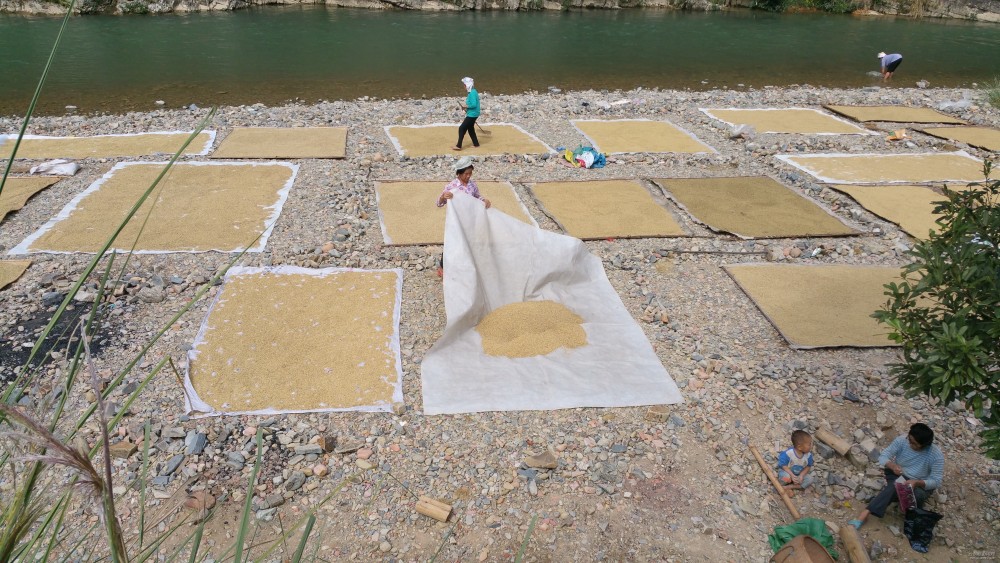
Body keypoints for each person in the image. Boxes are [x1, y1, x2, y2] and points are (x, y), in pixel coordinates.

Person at [850, 423, 944, 529]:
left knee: (913, 495)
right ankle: (865, 514)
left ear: (925, 446)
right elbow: (884, 456)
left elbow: (936, 481)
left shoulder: (936, 455)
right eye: (909, 439)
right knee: (896, 485)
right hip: (898, 474)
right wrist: (893, 466)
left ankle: (901, 504)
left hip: (918, 483)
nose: (910, 444)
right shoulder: (902, 440)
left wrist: (916, 482)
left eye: (914, 444)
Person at [777, 430, 815, 495]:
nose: (811, 446)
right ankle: (782, 484)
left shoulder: (808, 455)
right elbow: (783, 465)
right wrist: (792, 475)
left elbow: (808, 466)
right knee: (786, 477)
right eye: (809, 444)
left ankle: (791, 486)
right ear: (799, 447)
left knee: (810, 479)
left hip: (798, 475)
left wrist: (801, 475)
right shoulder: (789, 453)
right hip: (788, 473)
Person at [452, 77, 481, 151]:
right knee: (470, 128)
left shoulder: (472, 93)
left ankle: (459, 146)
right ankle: (476, 144)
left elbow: (474, 104)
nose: (463, 86)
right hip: (473, 113)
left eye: (464, 85)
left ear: (467, 85)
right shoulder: (473, 91)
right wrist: (466, 108)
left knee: (462, 128)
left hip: (473, 114)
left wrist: (466, 106)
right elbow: (472, 104)